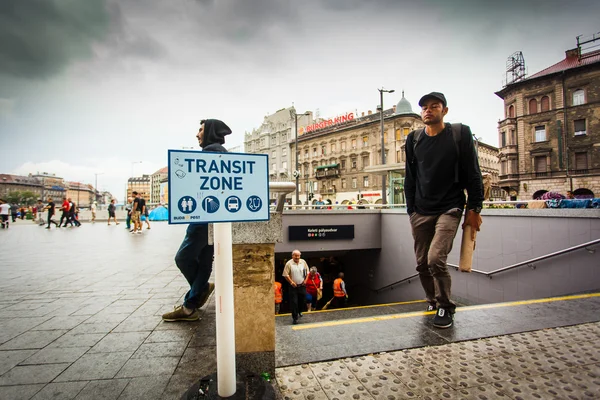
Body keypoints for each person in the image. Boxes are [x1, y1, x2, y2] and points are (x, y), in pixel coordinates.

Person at [404, 92, 483, 329]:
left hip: (450, 207)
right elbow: (411, 177)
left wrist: (474, 208)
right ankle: (431, 300)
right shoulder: (414, 139)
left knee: (436, 259)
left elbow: (473, 173)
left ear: (444, 111)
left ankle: (445, 306)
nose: (428, 110)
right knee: (421, 263)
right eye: (425, 108)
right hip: (421, 210)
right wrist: (411, 210)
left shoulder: (459, 133)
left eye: (434, 106)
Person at [162, 119, 231, 322]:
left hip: (203, 217)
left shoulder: (209, 153)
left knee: (183, 258)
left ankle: (194, 298)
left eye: (200, 129)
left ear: (209, 131)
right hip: (217, 218)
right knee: (204, 262)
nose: (197, 134)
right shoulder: (222, 152)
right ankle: (192, 302)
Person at [282, 249, 309, 324]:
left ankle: (300, 311)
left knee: (302, 300)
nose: (297, 257)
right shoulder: (289, 263)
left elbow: (308, 272)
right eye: (295, 256)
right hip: (293, 286)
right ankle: (295, 317)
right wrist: (291, 282)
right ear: (292, 256)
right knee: (294, 302)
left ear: (300, 256)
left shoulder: (303, 262)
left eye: (298, 256)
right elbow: (285, 275)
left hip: (302, 285)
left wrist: (306, 280)